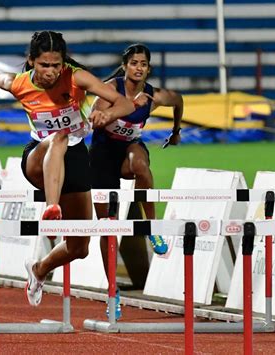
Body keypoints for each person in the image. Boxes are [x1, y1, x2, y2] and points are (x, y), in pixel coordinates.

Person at [0, 31, 135, 307]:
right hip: (37, 157)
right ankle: (52, 208)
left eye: (56, 65)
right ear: (31, 61)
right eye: (44, 65)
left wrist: (108, 114)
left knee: (80, 248)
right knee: (59, 137)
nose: (51, 72)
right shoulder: (20, 83)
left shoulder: (76, 77)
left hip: (75, 159)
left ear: (63, 63)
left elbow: (124, 103)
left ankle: (39, 269)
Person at [89, 43, 183, 319]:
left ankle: (152, 227)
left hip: (129, 149)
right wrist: (130, 106)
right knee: (108, 227)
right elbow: (95, 120)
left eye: (143, 63)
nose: (139, 67)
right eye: (134, 63)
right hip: (104, 154)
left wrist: (176, 131)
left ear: (148, 68)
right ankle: (112, 292)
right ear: (125, 66)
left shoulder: (154, 95)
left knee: (141, 166)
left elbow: (178, 100)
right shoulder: (109, 90)